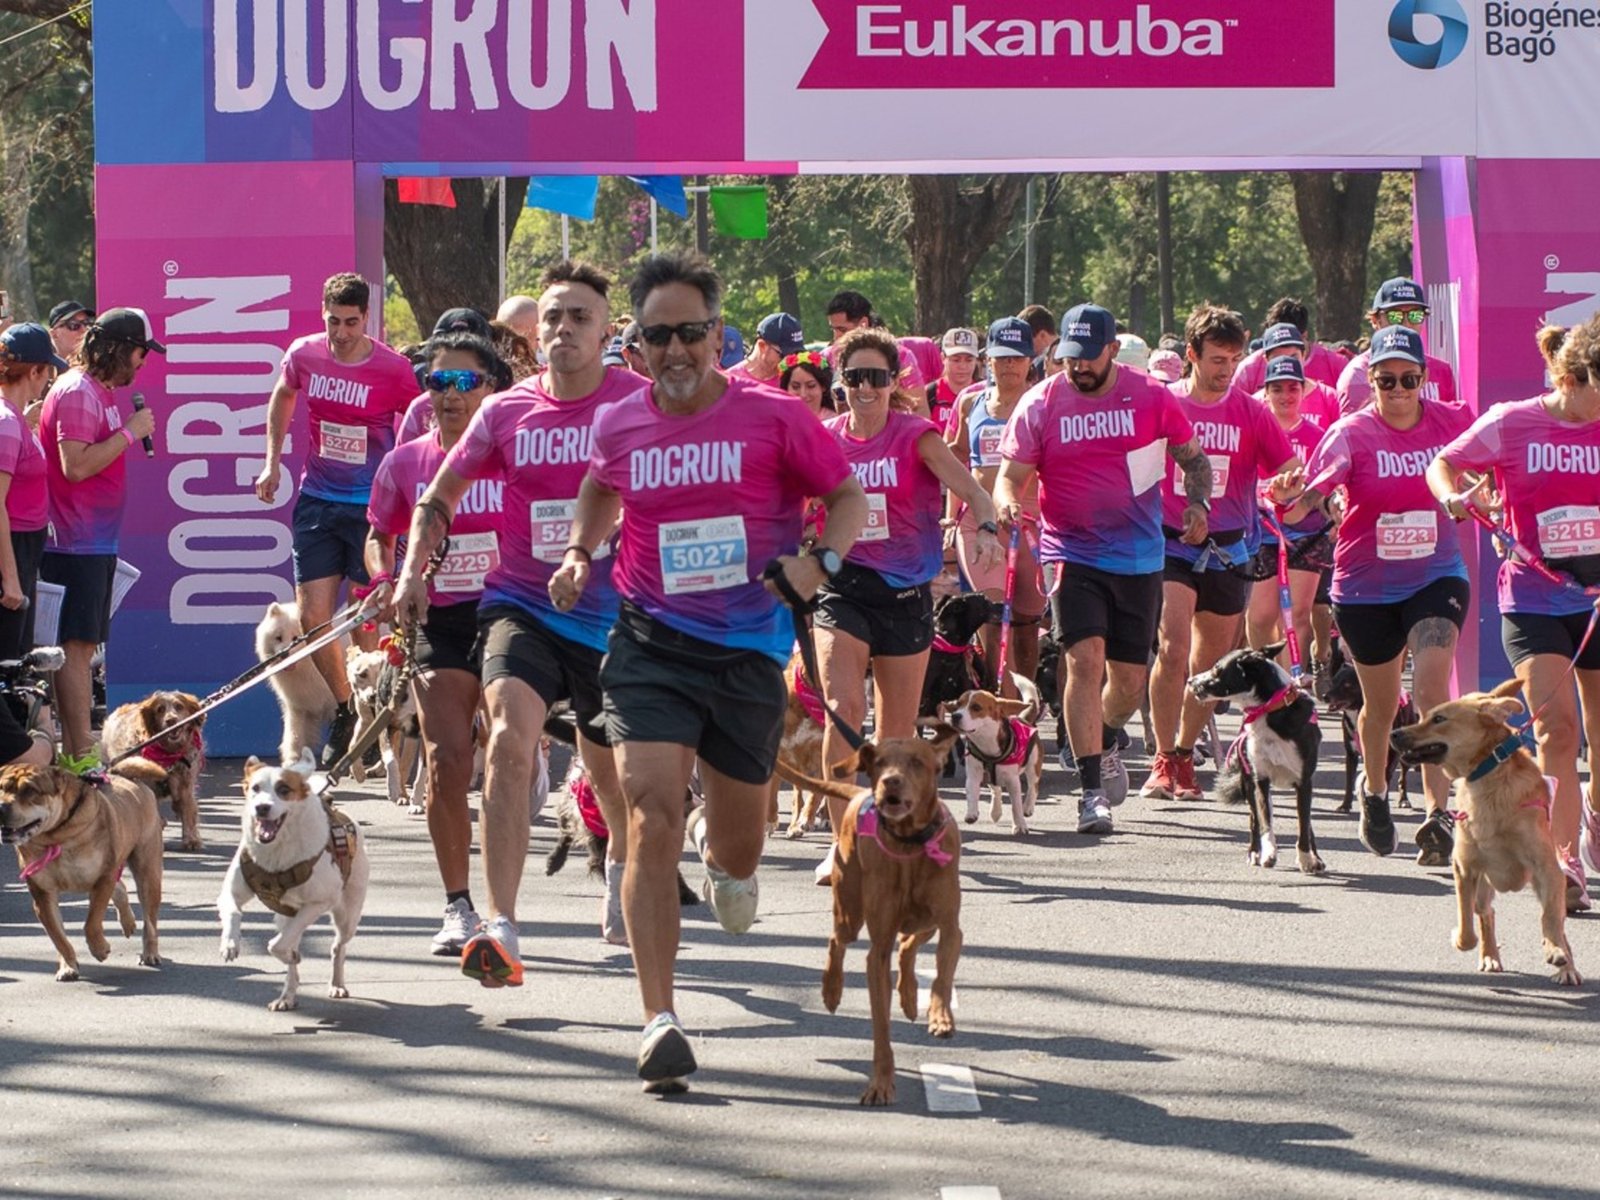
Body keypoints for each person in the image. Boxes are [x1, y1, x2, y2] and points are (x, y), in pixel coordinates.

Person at [549, 252, 866, 1091]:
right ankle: (659, 1018)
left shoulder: (772, 418)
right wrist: (582, 552)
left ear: (718, 335)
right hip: (649, 645)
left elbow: (847, 500)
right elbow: (598, 487)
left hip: (747, 655)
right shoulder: (619, 421)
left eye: (692, 332)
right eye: (658, 336)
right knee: (648, 816)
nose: (676, 349)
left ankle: (730, 864)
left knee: (737, 840)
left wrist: (819, 564)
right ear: (638, 344)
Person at [396, 261, 650, 975]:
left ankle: (622, 864)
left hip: (614, 612)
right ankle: (501, 925)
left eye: (579, 317)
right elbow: (436, 499)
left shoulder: (641, 402)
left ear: (607, 331)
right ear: (536, 335)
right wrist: (413, 569)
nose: (563, 328)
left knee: (612, 770)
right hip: (521, 603)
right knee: (508, 739)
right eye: (553, 318)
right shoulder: (506, 412)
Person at [995, 303, 1212, 836]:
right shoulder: (1041, 402)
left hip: (1139, 556)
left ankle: (1107, 735)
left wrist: (1199, 506)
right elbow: (1009, 476)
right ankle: (1091, 792)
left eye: (1089, 357)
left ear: (1113, 350)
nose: (1078, 366)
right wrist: (1004, 502)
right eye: (1070, 356)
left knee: (1128, 685)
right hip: (1070, 551)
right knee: (1083, 660)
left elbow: (1195, 460)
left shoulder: (1151, 396)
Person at [813, 326, 1001, 874]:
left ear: (893, 381)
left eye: (876, 377)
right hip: (843, 587)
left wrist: (986, 526)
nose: (864, 388)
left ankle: (893, 835)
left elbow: (973, 491)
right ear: (839, 382)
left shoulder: (916, 434)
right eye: (854, 378)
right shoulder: (825, 438)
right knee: (845, 713)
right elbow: (789, 497)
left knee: (894, 738)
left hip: (903, 594)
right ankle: (843, 845)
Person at [1428, 316, 1600, 910]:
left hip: (1597, 600)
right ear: (1576, 378)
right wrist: (1454, 495)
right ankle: (1563, 859)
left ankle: (1592, 823)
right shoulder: (1514, 422)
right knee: (1559, 729)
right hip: (1534, 597)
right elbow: (1443, 463)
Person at [1298, 325, 1474, 863]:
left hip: (1436, 576)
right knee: (1378, 706)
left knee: (1430, 691)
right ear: (1370, 379)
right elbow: (1317, 489)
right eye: (1387, 380)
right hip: (1366, 586)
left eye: (1409, 379)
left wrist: (1485, 493)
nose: (1398, 390)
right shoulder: (1351, 432)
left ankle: (1437, 814)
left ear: (1424, 379)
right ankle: (1374, 793)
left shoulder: (1453, 420)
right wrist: (1306, 497)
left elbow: (1492, 460)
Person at [367, 333, 509, 953]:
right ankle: (459, 907)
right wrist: (384, 579)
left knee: (508, 750)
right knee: (449, 759)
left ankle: (604, 867)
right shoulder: (404, 462)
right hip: (438, 620)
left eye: (463, 383)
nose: (447, 396)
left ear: (491, 388)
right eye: (436, 382)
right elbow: (380, 534)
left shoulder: (515, 457)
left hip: (512, 613)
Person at [255, 273, 418, 768]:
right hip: (318, 498)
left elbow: (415, 424)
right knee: (312, 618)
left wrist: (412, 486)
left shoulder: (393, 368)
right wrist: (273, 459)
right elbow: (283, 395)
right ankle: (347, 706)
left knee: (368, 613)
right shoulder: (305, 354)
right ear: (321, 312)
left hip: (372, 506)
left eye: (351, 322)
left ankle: (372, 715)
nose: (341, 332)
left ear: (366, 318)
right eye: (333, 321)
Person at [1143, 305, 1300, 803]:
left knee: (1209, 662)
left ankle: (1186, 755)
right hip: (1169, 542)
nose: (1225, 369)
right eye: (1215, 358)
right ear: (1191, 355)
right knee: (1172, 648)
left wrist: (1288, 485)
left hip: (1230, 548)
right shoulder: (1162, 404)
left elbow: (1288, 471)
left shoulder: (1251, 411)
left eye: (1234, 358)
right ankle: (1163, 757)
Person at [39, 307, 160, 764]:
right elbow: (76, 466)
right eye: (140, 353)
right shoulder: (76, 391)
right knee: (76, 647)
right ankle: (79, 753)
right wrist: (130, 433)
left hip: (92, 540)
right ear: (119, 349)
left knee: (83, 647)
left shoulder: (98, 391)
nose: (142, 363)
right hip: (74, 541)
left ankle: (78, 752)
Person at [945, 317, 1050, 691]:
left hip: (1031, 525)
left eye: (1017, 358)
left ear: (1029, 360)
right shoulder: (970, 402)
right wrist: (949, 517)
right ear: (986, 359)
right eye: (1001, 358)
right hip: (978, 523)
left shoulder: (1043, 402)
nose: (1009, 365)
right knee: (991, 614)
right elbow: (955, 457)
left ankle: (1025, 709)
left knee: (1025, 627)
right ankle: (996, 703)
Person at [1243, 357, 1334, 675]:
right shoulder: (1254, 431)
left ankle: (1291, 686)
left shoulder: (1319, 436)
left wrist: (1315, 504)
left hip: (1307, 534)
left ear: (1303, 391)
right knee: (1259, 617)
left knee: (1296, 614)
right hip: (1263, 532)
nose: (1285, 395)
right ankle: (1264, 679)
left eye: (1293, 388)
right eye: (1277, 388)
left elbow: (1328, 486)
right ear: (1265, 392)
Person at [0, 324, 63, 659]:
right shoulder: (6, 424)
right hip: (12, 552)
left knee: (19, 664)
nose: (49, 380)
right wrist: (10, 580)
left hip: (24, 549)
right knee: (9, 669)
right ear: (35, 370)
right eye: (47, 371)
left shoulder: (13, 420)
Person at [1336, 278, 1459, 415]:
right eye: (1395, 316)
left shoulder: (1441, 370)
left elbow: (1451, 426)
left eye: (1415, 315)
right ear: (1375, 321)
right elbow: (1355, 432)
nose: (1406, 323)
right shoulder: (1357, 373)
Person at [396, 308, 494, 443]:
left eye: (466, 380)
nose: (451, 394)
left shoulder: (508, 410)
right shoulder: (420, 409)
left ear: (490, 383)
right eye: (440, 380)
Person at [1234, 297, 1345, 392]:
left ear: (1304, 336)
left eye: (1293, 356)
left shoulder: (1335, 365)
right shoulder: (1249, 369)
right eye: (1276, 354)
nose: (1285, 361)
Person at [1249, 323, 1341, 428]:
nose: (1287, 363)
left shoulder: (1329, 398)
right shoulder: (1254, 405)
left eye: (1293, 357)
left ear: (1303, 355)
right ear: (1266, 360)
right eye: (1278, 358)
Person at [727, 313, 805, 384]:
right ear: (762, 346)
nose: (790, 361)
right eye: (784, 355)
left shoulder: (795, 383)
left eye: (797, 355)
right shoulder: (731, 381)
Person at [926, 328, 978, 428]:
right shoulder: (929, 394)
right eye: (956, 360)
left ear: (976, 360)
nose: (962, 366)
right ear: (943, 358)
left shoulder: (984, 394)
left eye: (969, 360)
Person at [780, 350, 833, 417]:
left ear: (823, 386)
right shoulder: (777, 421)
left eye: (811, 386)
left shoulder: (837, 423)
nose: (803, 394)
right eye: (795, 387)